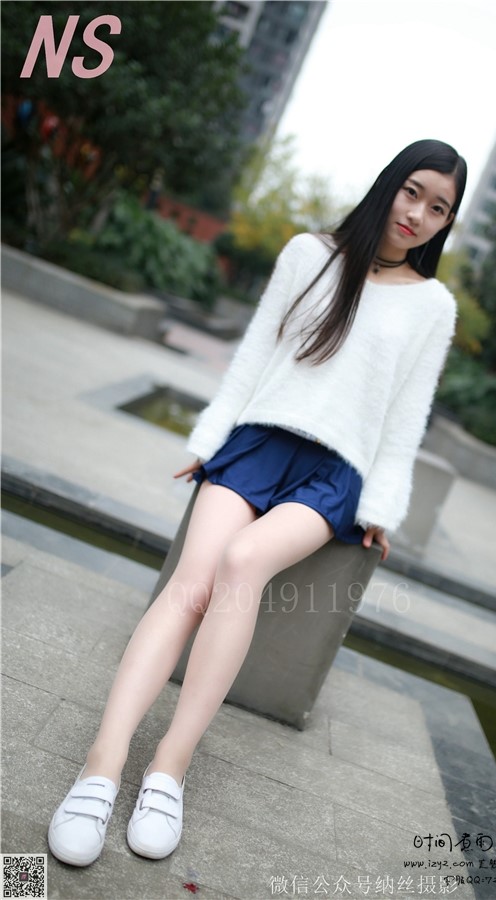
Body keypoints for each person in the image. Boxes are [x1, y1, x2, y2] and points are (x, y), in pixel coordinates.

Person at [48, 138, 467, 866]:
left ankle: (168, 770)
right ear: (389, 184)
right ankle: (100, 767)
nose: (419, 215)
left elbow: (407, 416)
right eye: (413, 191)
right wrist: (211, 439)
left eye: (439, 209)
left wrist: (381, 509)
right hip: (257, 442)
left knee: (243, 564)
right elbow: (254, 355)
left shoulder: (434, 305)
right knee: (191, 584)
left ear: (445, 224)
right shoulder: (309, 255)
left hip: (333, 474)